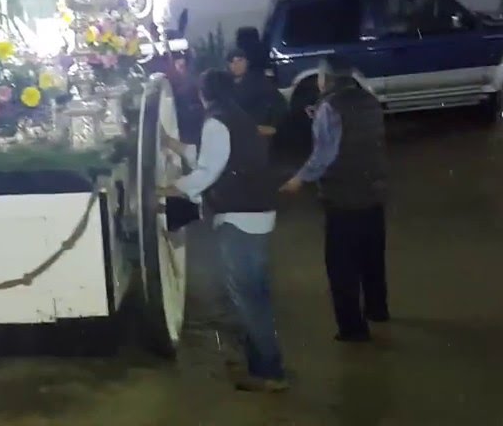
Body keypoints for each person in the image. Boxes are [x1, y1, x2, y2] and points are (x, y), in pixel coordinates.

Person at [162, 69, 287, 392]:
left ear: (202, 95)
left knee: (248, 297)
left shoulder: (216, 122)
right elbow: (214, 156)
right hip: (257, 212)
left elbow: (207, 171)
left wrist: (165, 190)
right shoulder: (234, 116)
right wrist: (173, 145)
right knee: (255, 294)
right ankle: (263, 364)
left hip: (240, 216)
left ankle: (268, 373)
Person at [280, 56, 389, 343]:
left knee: (342, 267)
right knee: (372, 258)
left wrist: (299, 179)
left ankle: (353, 330)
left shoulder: (329, 107)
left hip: (343, 197)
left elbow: (324, 155)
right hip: (374, 192)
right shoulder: (369, 99)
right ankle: (378, 310)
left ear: (324, 79)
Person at [227, 48, 288, 136]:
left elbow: (278, 104)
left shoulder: (260, 81)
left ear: (247, 62)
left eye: (240, 60)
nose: (236, 64)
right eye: (232, 62)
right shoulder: (226, 86)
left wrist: (274, 128)